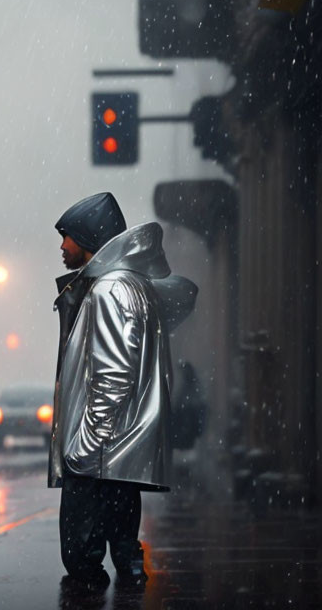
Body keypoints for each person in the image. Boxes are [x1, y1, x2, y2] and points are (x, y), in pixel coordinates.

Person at [48, 192, 197, 590]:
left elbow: (114, 376)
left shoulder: (110, 291)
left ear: (89, 238)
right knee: (125, 552)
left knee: (82, 563)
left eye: (67, 237)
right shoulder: (132, 286)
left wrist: (83, 446)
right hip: (119, 454)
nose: (62, 246)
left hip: (101, 453)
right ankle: (129, 576)